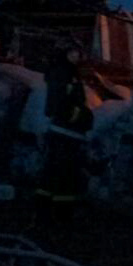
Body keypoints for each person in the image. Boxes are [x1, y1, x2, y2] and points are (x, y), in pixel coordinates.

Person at [37, 45, 94, 222]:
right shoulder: (63, 74)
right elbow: (60, 104)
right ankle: (63, 214)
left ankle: (43, 210)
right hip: (66, 133)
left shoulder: (67, 72)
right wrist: (82, 116)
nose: (78, 56)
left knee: (52, 173)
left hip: (64, 132)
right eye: (75, 52)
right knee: (66, 175)